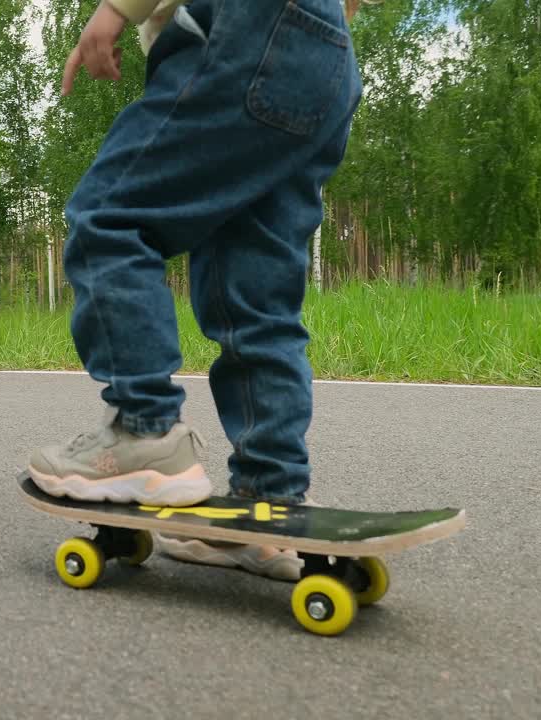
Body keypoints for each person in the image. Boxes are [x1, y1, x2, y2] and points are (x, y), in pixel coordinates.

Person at [27, 0, 362, 580]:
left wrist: (115, 9)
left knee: (108, 218)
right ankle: (269, 500)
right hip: (326, 56)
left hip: (244, 32)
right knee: (253, 297)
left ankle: (144, 430)